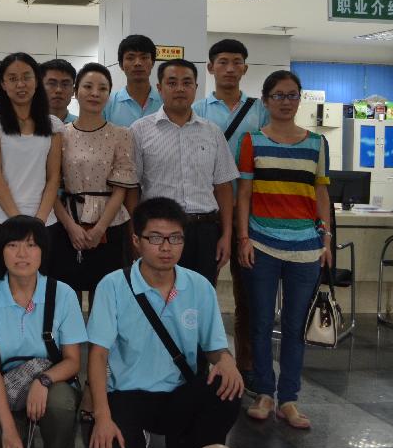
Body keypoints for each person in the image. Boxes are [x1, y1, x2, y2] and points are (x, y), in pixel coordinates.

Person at [87, 197, 243, 448]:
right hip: (128, 394)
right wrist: (101, 417)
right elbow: (98, 355)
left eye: (175, 238)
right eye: (156, 238)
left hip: (180, 394)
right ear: (137, 241)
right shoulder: (113, 286)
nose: (166, 247)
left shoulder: (199, 286)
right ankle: (135, 447)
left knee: (227, 386)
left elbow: (216, 348)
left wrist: (227, 361)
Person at [237, 70, 331, 429]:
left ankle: (289, 398)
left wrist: (326, 240)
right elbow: (244, 193)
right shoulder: (252, 141)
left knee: (294, 327)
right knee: (260, 323)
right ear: (265, 100)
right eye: (278, 95)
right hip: (261, 244)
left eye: (292, 95)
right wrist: (243, 238)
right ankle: (264, 392)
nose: (286, 101)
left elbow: (321, 192)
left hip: (306, 249)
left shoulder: (317, 143)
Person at [0, 215, 86, 448]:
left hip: (52, 380)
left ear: (42, 252)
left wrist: (42, 381)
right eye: (12, 245)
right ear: (1, 252)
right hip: (5, 385)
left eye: (31, 245)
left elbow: (73, 361)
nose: (22, 254)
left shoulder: (63, 294)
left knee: (60, 404)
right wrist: (9, 430)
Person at [192, 39, 270, 392]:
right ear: (210, 67)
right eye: (222, 61)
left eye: (237, 62)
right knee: (199, 293)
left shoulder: (260, 112)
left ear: (245, 68)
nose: (229, 68)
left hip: (251, 214)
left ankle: (247, 367)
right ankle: (196, 364)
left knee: (248, 296)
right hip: (207, 214)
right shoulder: (197, 110)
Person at [129, 59, 238, 285]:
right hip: (158, 232)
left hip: (205, 232)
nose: (180, 88)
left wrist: (226, 235)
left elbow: (224, 187)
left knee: (200, 295)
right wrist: (135, 233)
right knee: (157, 295)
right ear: (159, 88)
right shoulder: (139, 131)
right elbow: (132, 188)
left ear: (196, 88)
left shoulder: (212, 132)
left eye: (187, 83)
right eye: (172, 83)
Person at [51, 63, 136, 305]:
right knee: (68, 295)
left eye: (102, 88)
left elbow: (121, 189)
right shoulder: (60, 134)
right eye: (88, 87)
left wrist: (100, 229)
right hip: (68, 221)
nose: (95, 93)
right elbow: (50, 187)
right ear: (76, 92)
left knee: (106, 296)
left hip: (111, 223)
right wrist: (70, 227)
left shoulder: (122, 134)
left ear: (109, 94)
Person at [0, 52, 63, 283]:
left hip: (44, 222)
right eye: (13, 78)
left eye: (27, 77)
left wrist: (38, 223)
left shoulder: (54, 125)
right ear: (3, 84)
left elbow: (53, 177)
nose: (20, 84)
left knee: (40, 289)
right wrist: (19, 224)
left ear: (37, 81)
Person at [103, 34, 162, 127]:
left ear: (153, 63)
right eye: (130, 58)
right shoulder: (107, 102)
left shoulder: (165, 102)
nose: (138, 63)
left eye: (144, 57)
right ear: (121, 65)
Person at [40, 58, 78, 124]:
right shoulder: (29, 125)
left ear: (73, 91)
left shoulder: (81, 125)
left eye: (65, 84)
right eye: (52, 83)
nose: (59, 90)